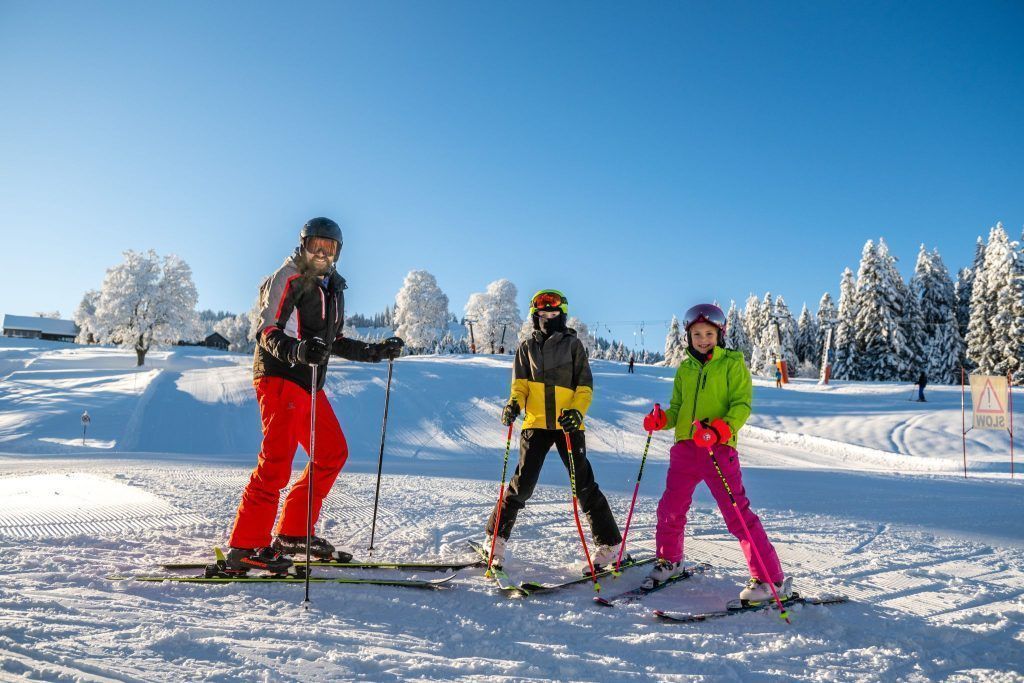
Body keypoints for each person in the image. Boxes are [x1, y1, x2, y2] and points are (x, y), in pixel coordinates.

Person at [225, 217, 404, 575]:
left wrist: (376, 351)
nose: (322, 253)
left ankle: (292, 532)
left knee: (332, 451)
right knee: (277, 460)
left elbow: (333, 341)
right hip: (279, 376)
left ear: (338, 252)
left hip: (309, 383)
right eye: (315, 245)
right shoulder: (287, 276)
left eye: (329, 247)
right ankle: (245, 546)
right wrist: (298, 350)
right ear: (303, 245)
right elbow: (267, 330)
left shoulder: (334, 288)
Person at [642, 303, 791, 602]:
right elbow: (677, 408)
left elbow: (741, 406)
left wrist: (721, 430)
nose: (702, 339)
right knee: (670, 508)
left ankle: (769, 579)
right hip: (685, 450)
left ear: (719, 334)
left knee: (737, 514)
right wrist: (662, 420)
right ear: (688, 336)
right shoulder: (685, 368)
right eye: (696, 334)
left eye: (709, 333)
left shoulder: (732, 364)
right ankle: (669, 560)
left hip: (717, 450)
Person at [486, 289, 626, 570]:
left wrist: (576, 411)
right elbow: (520, 387)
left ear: (561, 315)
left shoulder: (573, 346)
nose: (547, 318)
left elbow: (585, 386)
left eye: (553, 314)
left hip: (568, 424)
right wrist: (514, 404)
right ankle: (496, 539)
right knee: (521, 485)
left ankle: (610, 545)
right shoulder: (526, 348)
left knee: (583, 484)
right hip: (536, 423)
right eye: (542, 314)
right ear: (535, 316)